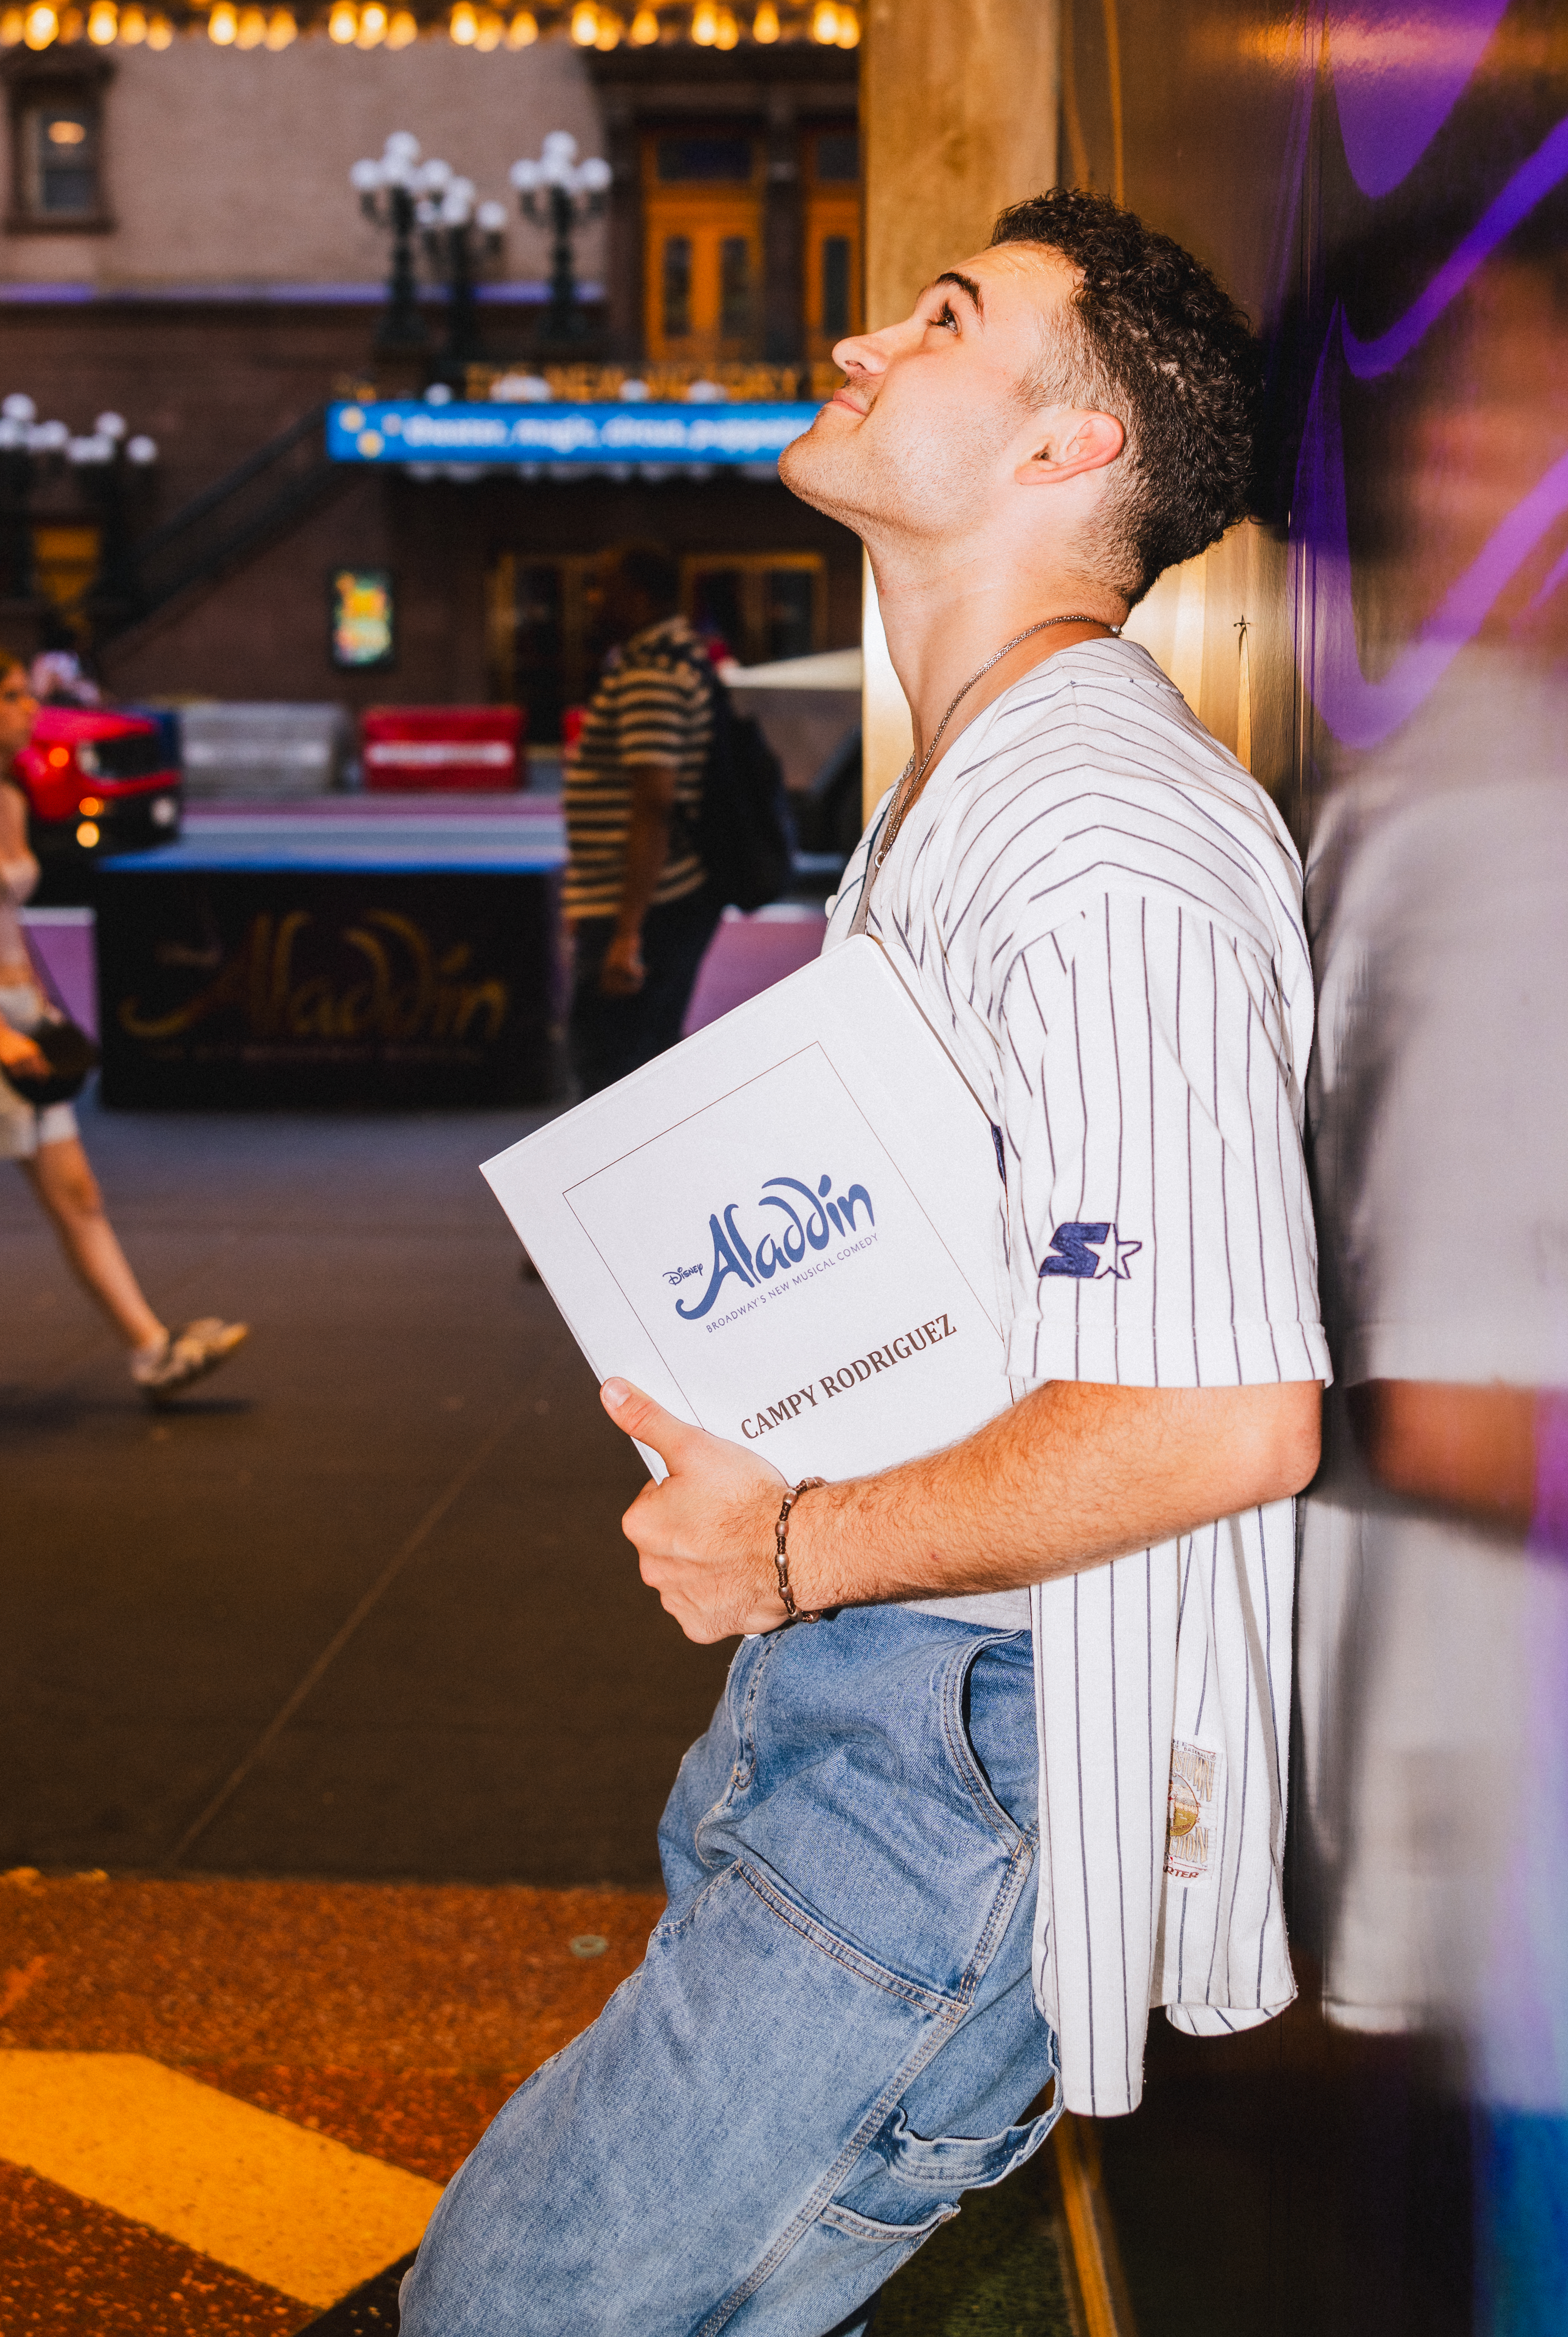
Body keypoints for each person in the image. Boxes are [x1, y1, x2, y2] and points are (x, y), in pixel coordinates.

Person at [402, 191, 1331, 2335]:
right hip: (879, 1716)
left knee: (508, 2308)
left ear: (1065, 451)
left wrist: (796, 1546)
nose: (854, 341)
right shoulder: (975, 783)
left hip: (958, 1751)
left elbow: (1217, 1411)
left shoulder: (1095, 826)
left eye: (944, 317)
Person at [0, 650, 247, 1404]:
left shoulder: (10, 798)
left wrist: (35, 1008)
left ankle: (152, 1351)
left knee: (76, 1193)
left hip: (19, 1014)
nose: (29, 710)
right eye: (10, 696)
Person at [562, 545, 724, 1099]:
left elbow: (653, 800)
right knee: (640, 1065)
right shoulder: (675, 657)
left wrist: (626, 933)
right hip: (657, 900)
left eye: (602, 587)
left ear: (637, 597)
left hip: (643, 906)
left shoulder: (651, 673)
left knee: (612, 1073)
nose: (593, 600)